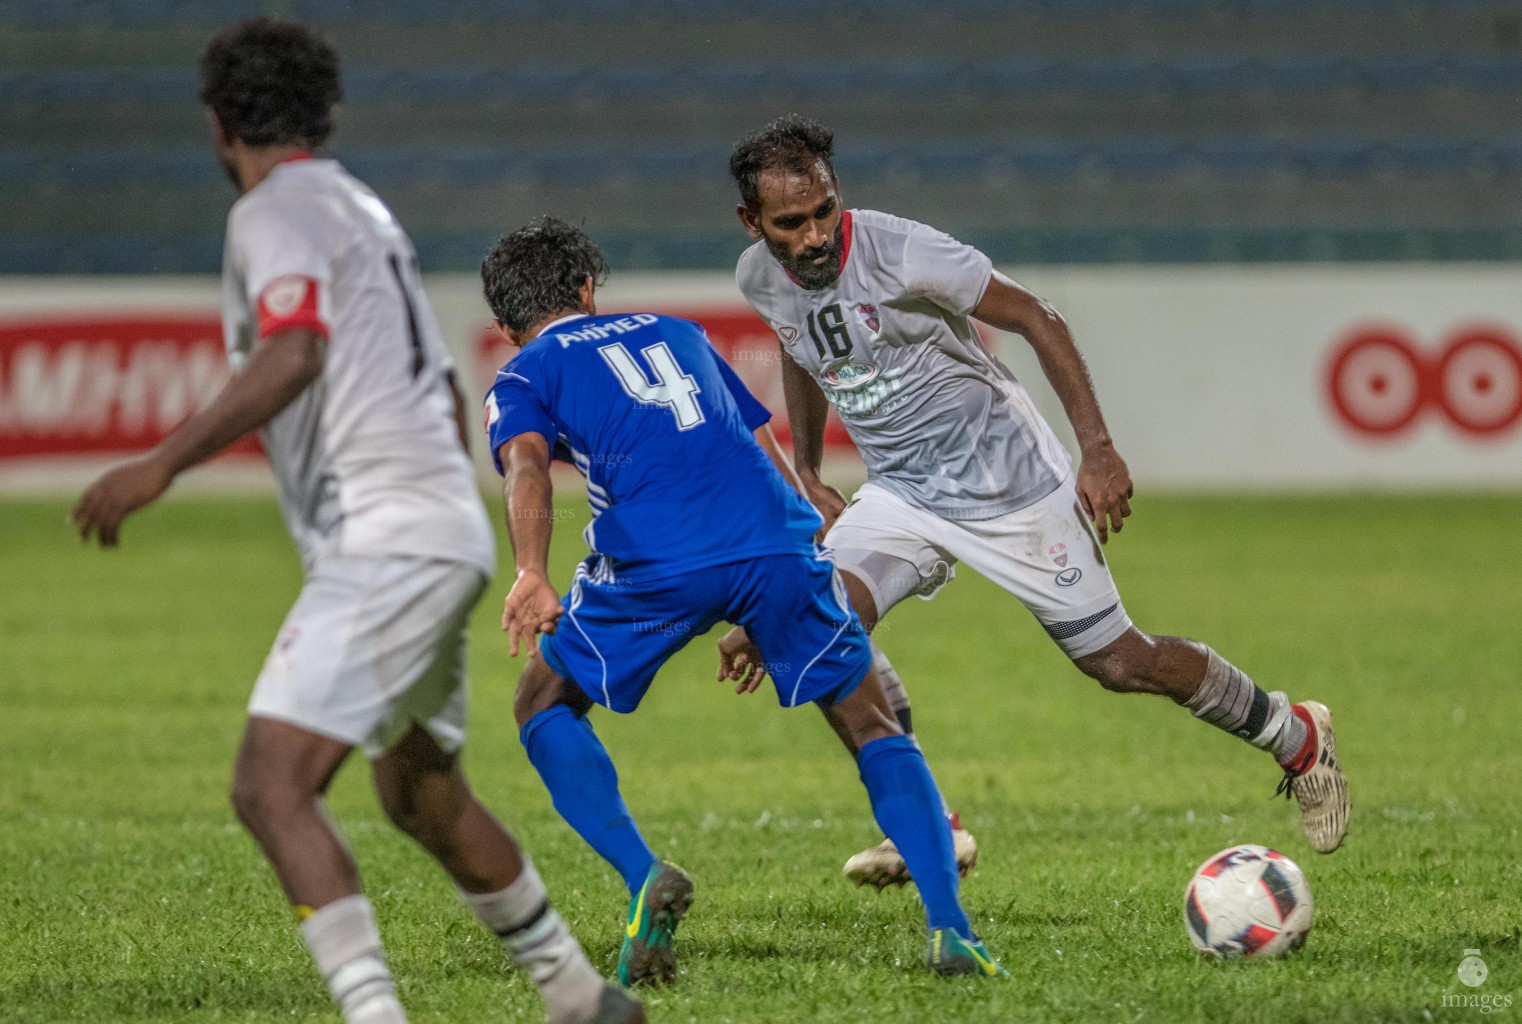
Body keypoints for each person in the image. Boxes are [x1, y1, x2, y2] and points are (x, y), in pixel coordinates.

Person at [69, 19, 640, 1024]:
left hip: (387, 538)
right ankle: (581, 995)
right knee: (419, 791)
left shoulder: (274, 212)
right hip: (437, 526)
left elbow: (295, 351)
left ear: (217, 121)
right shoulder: (360, 207)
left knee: (269, 785)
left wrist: (159, 465)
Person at [722, 115, 1350, 888]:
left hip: (1012, 485)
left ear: (835, 192)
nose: (815, 234)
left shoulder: (906, 250)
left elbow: (1035, 317)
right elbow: (800, 347)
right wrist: (811, 470)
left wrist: (1098, 448)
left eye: (824, 210)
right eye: (792, 222)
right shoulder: (759, 276)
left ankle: (1295, 736)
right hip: (904, 493)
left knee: (1121, 662)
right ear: (754, 223)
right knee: (825, 629)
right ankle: (927, 823)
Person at [480, 217, 1004, 982]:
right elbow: (756, 444)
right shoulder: (680, 333)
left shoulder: (524, 372)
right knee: (869, 718)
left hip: (658, 563)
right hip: (773, 541)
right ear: (588, 289)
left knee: (542, 701)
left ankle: (642, 875)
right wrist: (788, 573)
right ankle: (952, 931)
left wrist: (531, 569)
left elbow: (525, 467)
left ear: (504, 324)